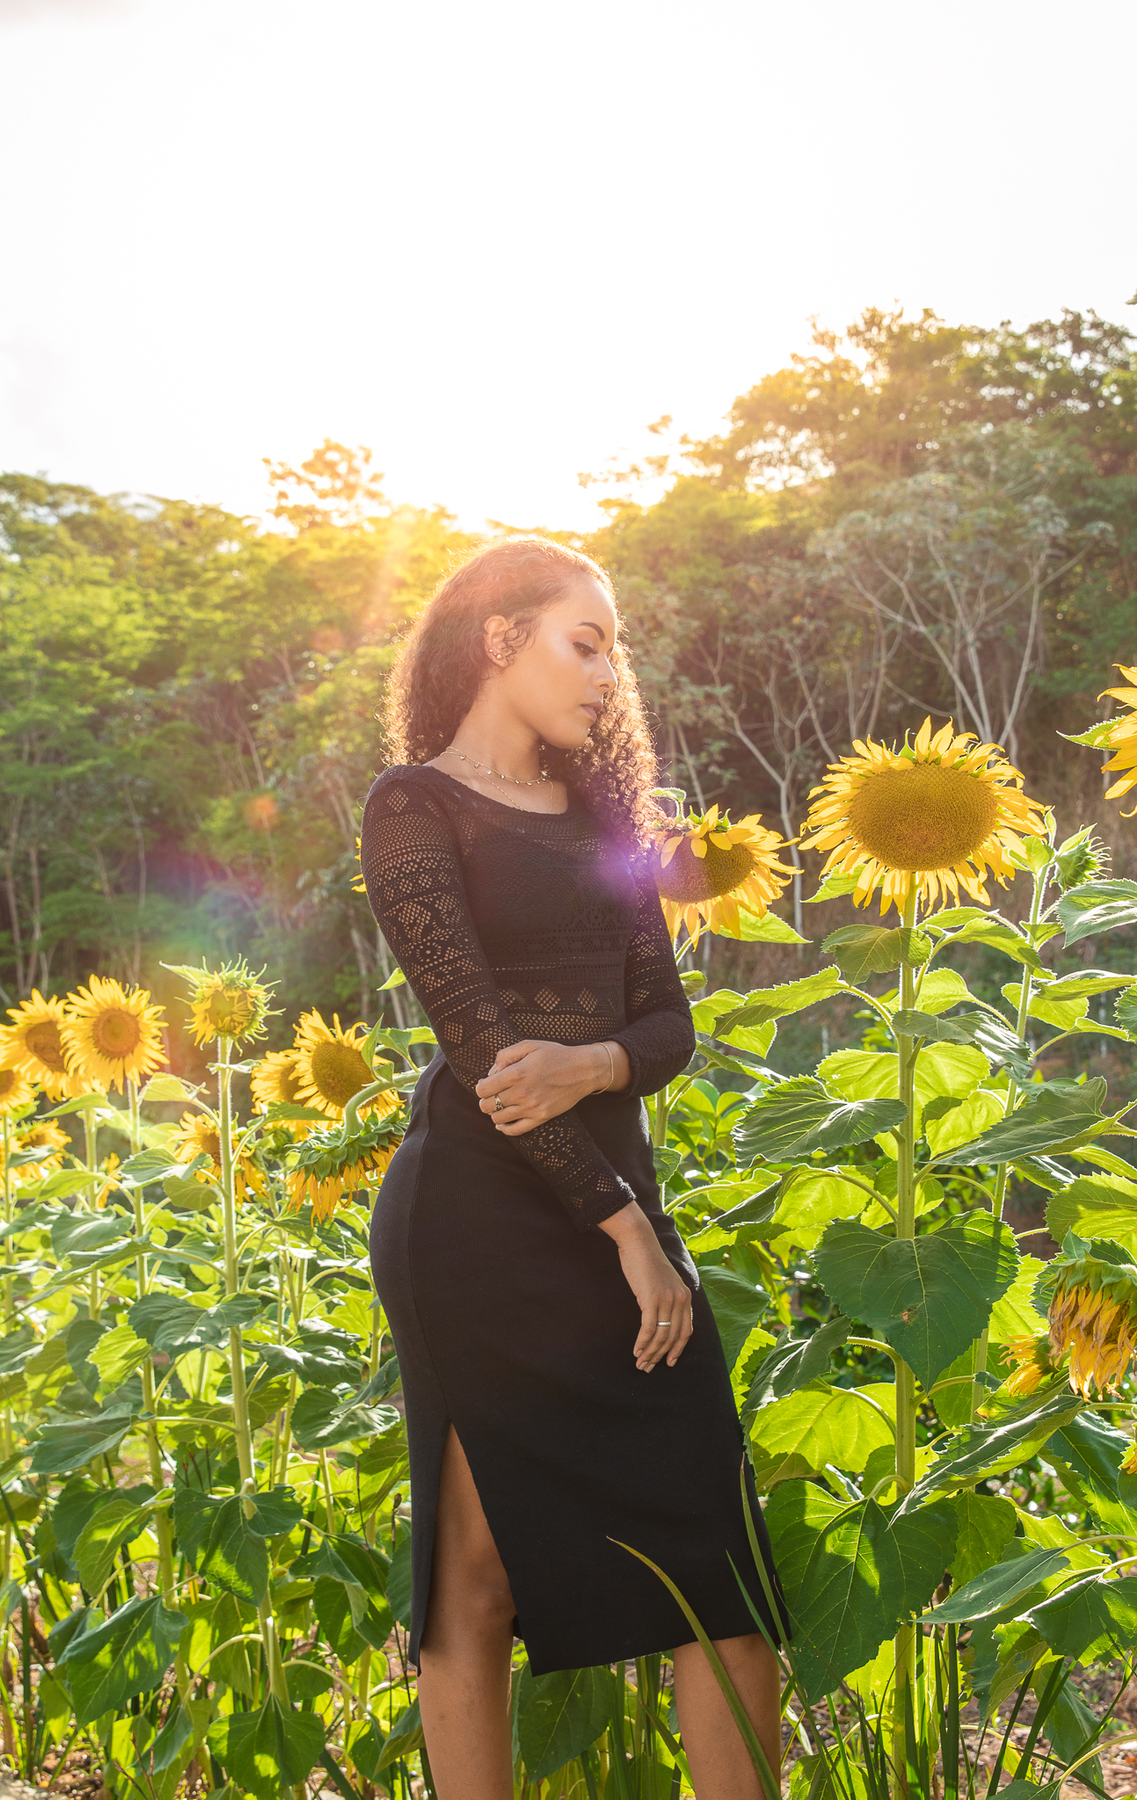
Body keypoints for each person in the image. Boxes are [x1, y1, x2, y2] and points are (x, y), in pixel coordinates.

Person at [357, 537, 782, 1799]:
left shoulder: (607, 820)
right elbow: (485, 1055)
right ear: (501, 639)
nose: (609, 675)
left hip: (614, 1204)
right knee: (477, 1575)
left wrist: (594, 1066)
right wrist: (625, 1224)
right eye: (585, 644)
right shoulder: (413, 807)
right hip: (477, 1224)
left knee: (722, 1574)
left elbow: (668, 1029)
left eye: (616, 653)